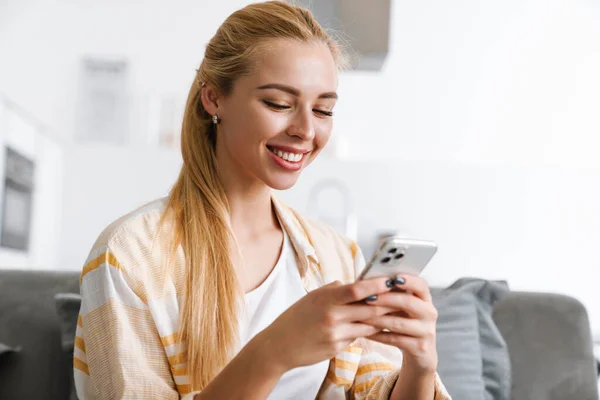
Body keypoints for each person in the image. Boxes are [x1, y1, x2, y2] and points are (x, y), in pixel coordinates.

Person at [73, 1, 451, 399]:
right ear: (214, 98)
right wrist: (274, 352)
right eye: (279, 104)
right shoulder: (130, 255)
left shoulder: (336, 254)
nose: (306, 130)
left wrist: (421, 366)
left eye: (323, 109)